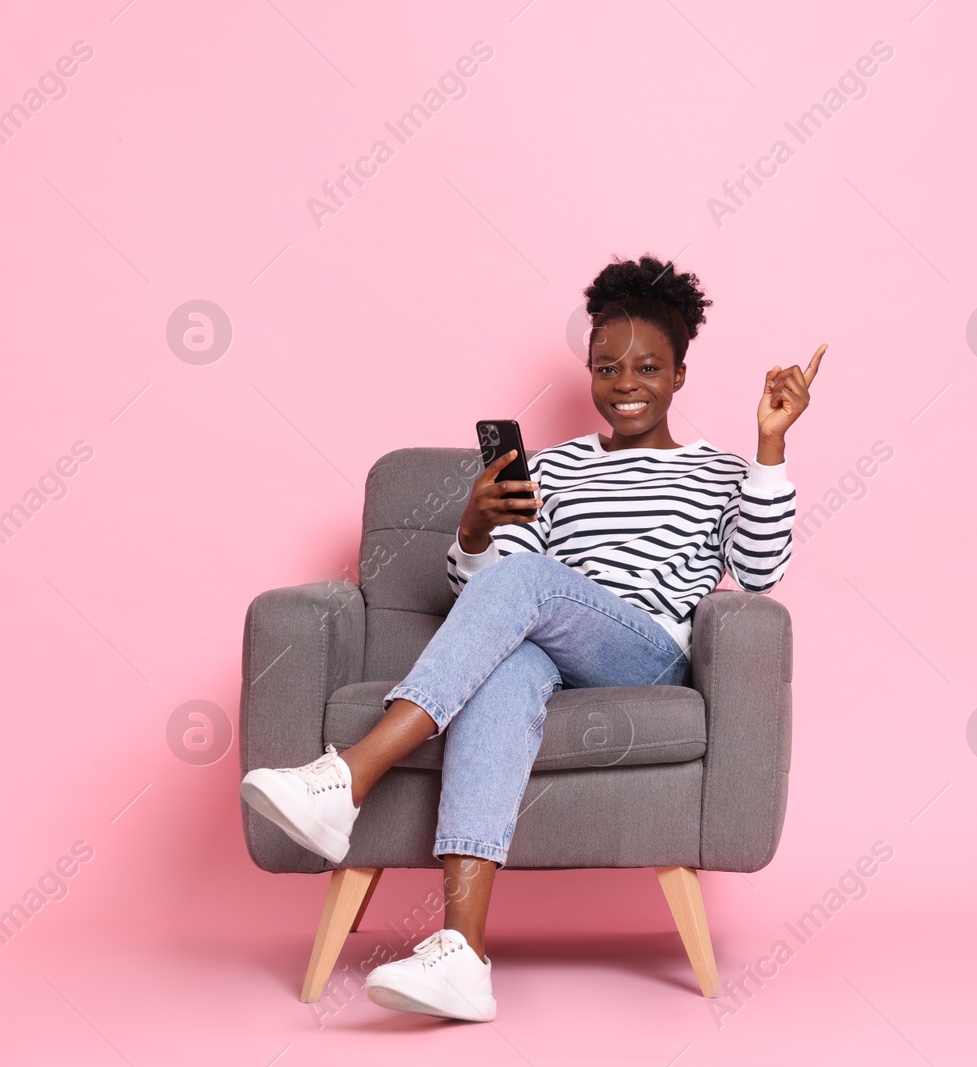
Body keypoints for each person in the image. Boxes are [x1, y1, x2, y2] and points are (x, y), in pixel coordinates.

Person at [240, 254, 823, 1021]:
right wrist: (477, 529)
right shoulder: (554, 468)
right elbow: (494, 587)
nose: (627, 383)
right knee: (508, 660)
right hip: (548, 643)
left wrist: (770, 448)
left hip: (644, 650)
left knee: (529, 589)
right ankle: (462, 956)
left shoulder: (718, 471)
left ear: (681, 374)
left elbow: (757, 571)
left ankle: (348, 777)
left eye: (649, 366)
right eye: (607, 367)